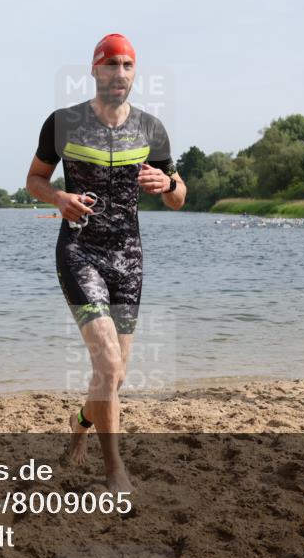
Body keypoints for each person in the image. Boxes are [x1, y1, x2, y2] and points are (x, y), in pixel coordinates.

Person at [26, 33, 186, 492]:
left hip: (129, 258)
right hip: (79, 250)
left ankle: (79, 426)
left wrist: (165, 184)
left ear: (135, 73)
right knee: (110, 365)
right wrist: (58, 196)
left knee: (113, 376)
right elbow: (34, 179)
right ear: (94, 70)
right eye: (110, 64)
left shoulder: (151, 129)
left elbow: (179, 197)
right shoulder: (63, 124)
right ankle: (115, 471)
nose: (119, 74)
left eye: (127, 66)